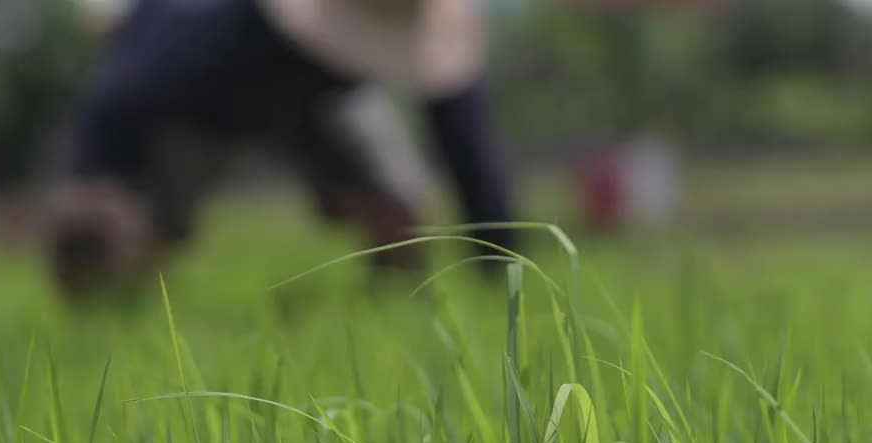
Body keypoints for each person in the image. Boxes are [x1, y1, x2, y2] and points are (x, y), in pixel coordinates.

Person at [46, 0, 518, 297]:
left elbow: (469, 148)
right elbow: (116, 101)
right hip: (203, 111)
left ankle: (393, 301)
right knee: (130, 235)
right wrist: (92, 194)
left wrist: (501, 267)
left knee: (400, 213)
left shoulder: (406, 17)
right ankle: (118, 317)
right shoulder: (202, 34)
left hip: (329, 100)